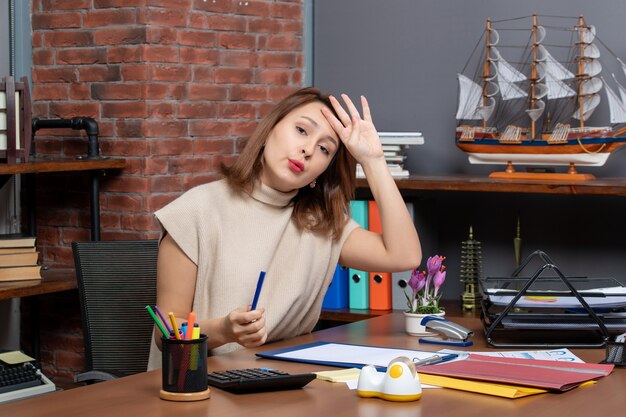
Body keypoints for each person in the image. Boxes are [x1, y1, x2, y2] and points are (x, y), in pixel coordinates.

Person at [147, 87, 421, 370]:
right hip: (195, 386)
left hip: (282, 384)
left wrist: (373, 160)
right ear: (269, 131)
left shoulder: (323, 224)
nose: (308, 150)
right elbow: (165, 331)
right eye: (301, 130)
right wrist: (224, 331)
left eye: (325, 149)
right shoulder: (196, 210)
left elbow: (404, 256)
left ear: (323, 171)